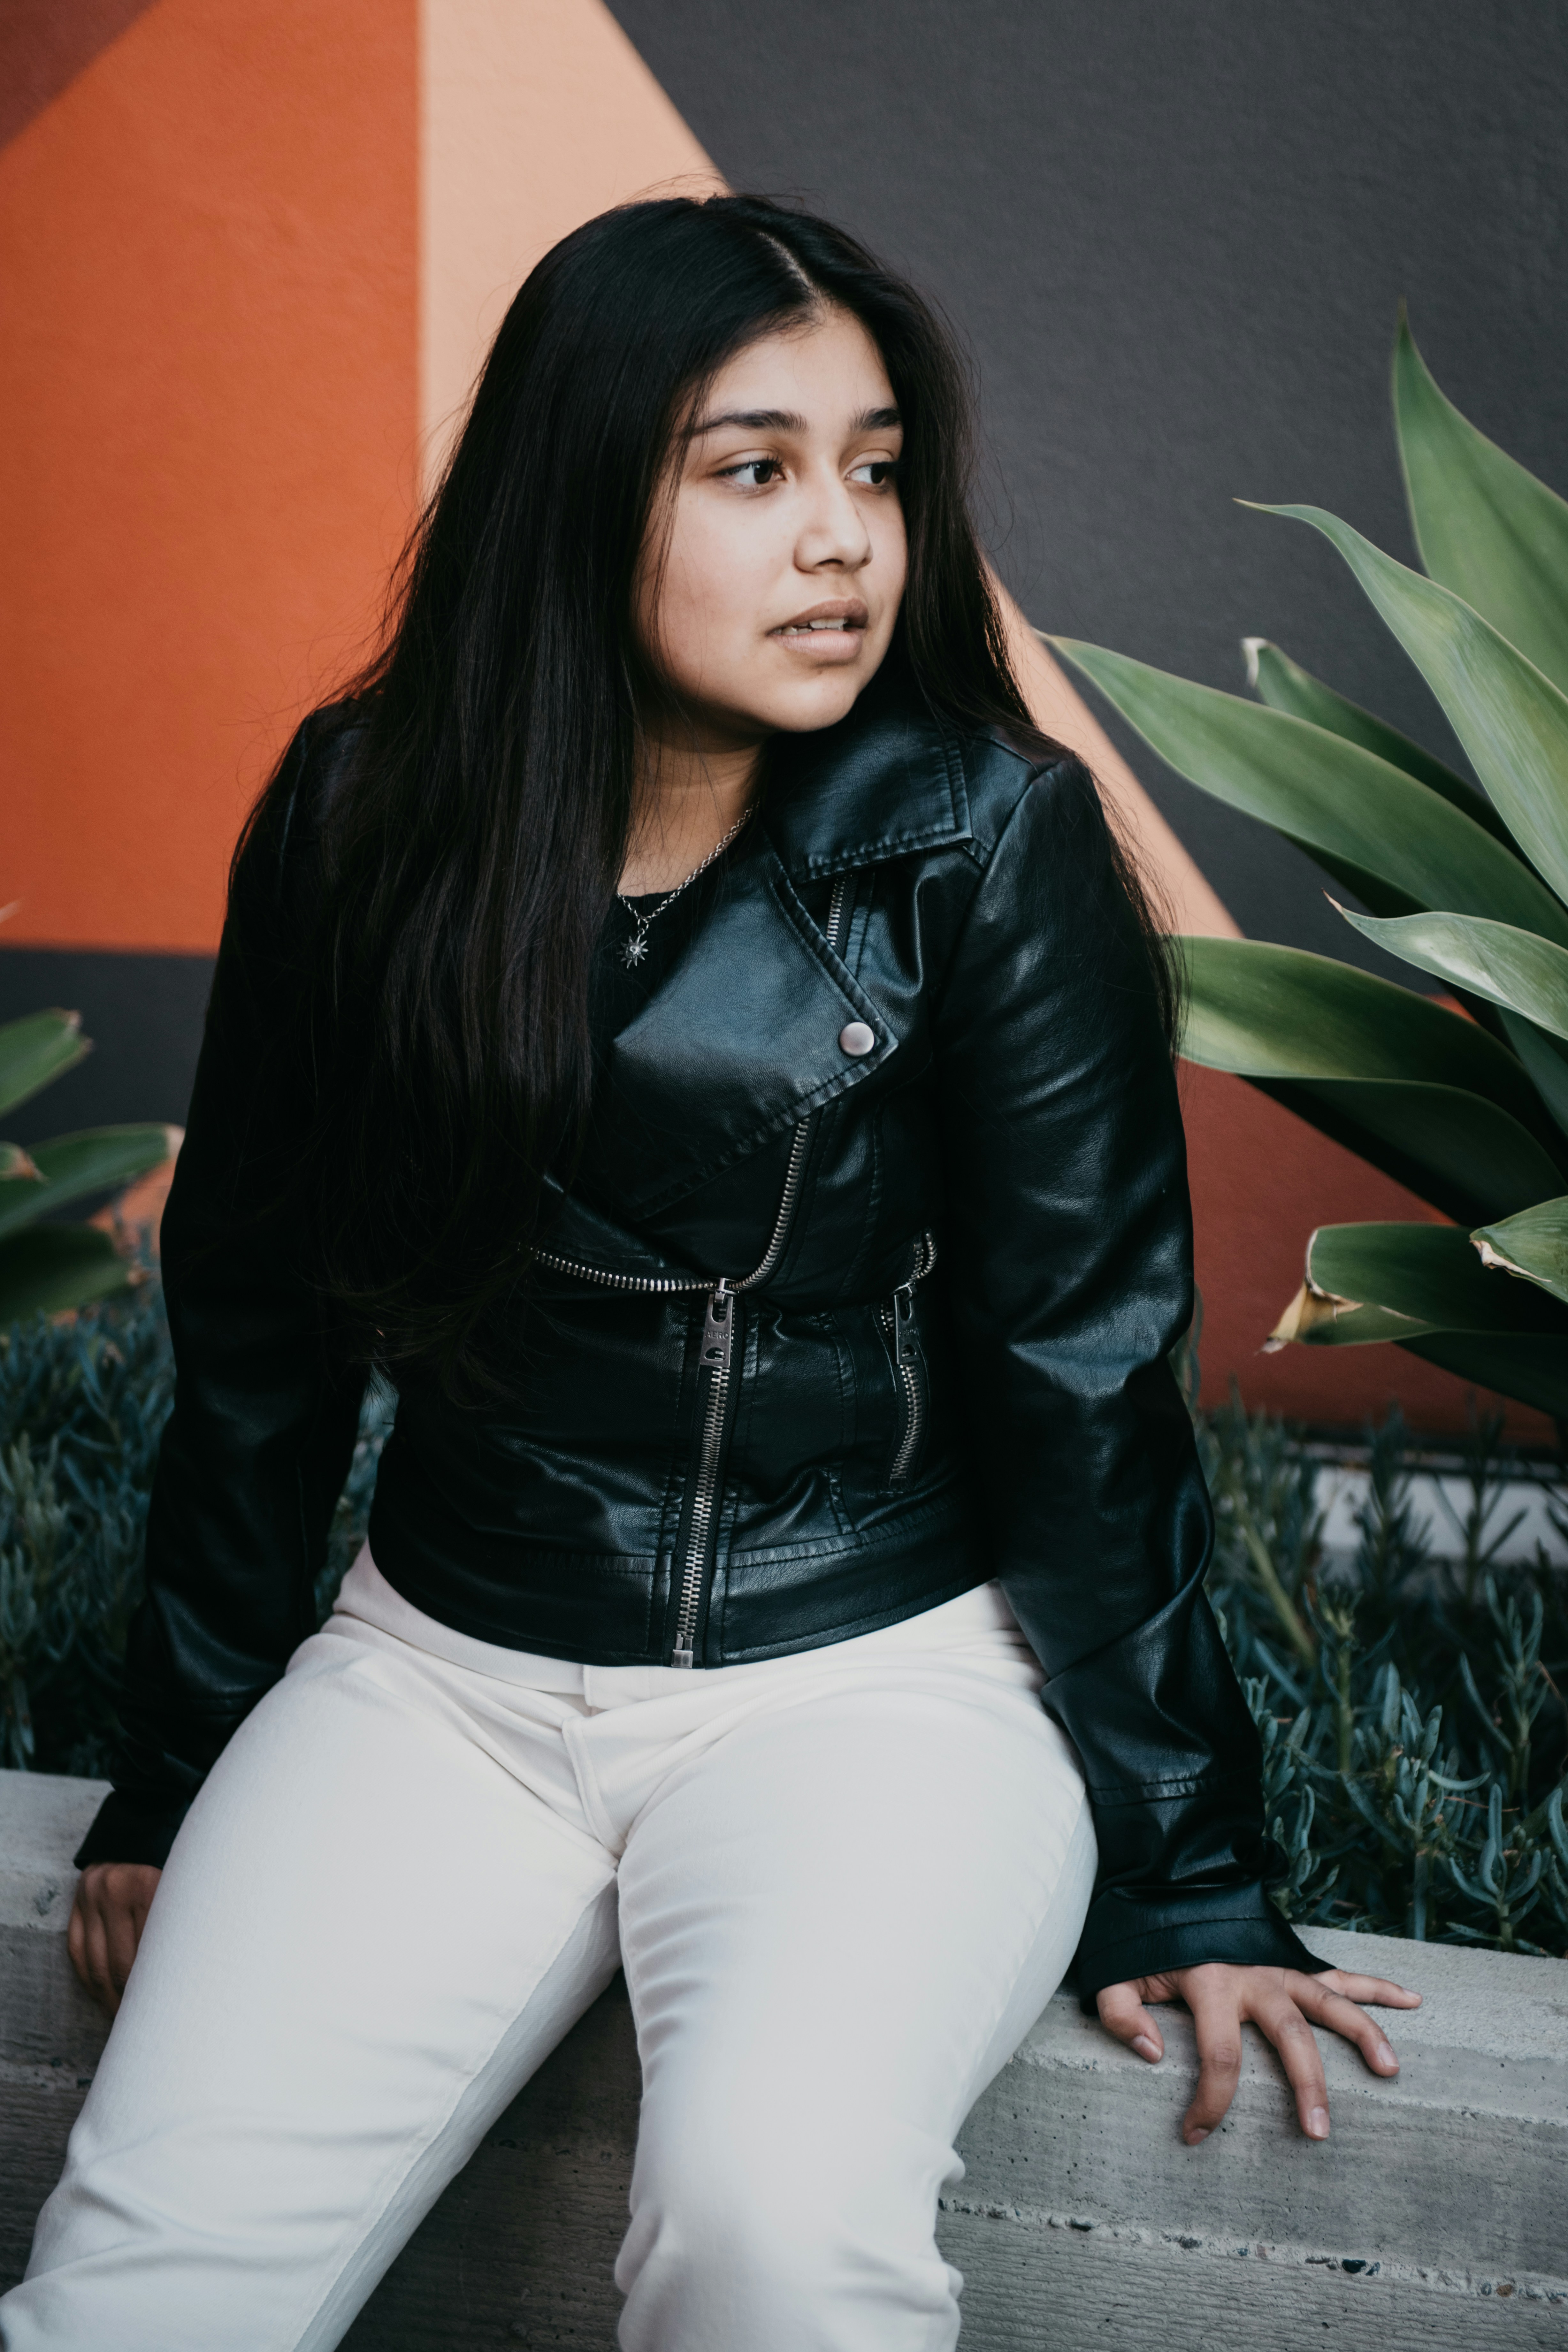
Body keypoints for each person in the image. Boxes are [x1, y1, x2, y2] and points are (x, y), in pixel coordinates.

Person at [1, 195, 1417, 2352]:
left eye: (875, 467)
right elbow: (260, 1323)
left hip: (873, 1685)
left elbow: (1084, 1365)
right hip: (439, 1680)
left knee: (770, 2240)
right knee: (131, 2300)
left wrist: (1195, 1865)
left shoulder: (984, 833)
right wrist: (184, 1758)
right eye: (754, 469)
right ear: (579, 489)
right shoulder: (361, 812)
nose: (846, 538)